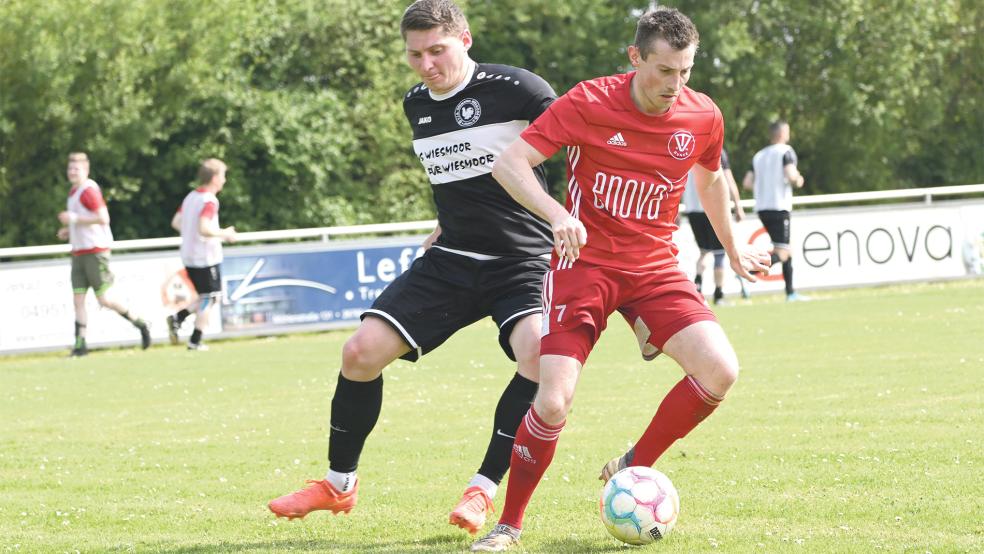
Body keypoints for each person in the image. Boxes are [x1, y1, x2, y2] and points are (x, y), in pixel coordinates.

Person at [469, 7, 771, 551]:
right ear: (635, 59)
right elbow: (510, 164)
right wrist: (559, 216)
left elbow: (709, 184)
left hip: (654, 267)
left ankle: (635, 465)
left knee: (721, 370)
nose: (674, 85)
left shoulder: (702, 115)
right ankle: (509, 525)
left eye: (685, 71)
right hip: (583, 266)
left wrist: (734, 246)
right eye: (663, 71)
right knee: (554, 401)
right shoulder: (589, 100)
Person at [267, 0, 558, 536]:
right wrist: (447, 222)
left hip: (524, 260)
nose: (426, 65)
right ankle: (338, 484)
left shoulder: (519, 89)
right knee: (359, 354)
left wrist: (572, 223)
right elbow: (460, 172)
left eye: (437, 51)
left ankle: (483, 490)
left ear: (465, 39)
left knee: (539, 354)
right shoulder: (416, 104)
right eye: (415, 54)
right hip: (451, 260)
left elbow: (575, 154)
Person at [57, 152, 151, 357]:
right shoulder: (74, 192)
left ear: (86, 169)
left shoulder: (88, 190)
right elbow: (85, 220)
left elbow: (102, 217)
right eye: (70, 168)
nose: (72, 172)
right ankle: (80, 345)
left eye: (76, 168)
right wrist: (69, 230)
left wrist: (73, 219)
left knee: (105, 299)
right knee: (78, 299)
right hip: (79, 252)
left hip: (95, 251)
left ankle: (140, 323)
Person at [167, 158, 236, 351]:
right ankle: (195, 341)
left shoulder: (191, 197)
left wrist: (190, 233)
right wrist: (225, 234)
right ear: (215, 178)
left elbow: (176, 222)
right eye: (223, 176)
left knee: (207, 296)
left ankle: (178, 318)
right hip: (205, 257)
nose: (224, 180)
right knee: (210, 298)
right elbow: (205, 229)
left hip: (189, 255)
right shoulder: (209, 201)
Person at [742, 120, 807, 301]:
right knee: (782, 252)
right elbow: (792, 175)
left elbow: (747, 183)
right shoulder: (786, 152)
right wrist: (799, 180)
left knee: (787, 249)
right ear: (781, 134)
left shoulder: (758, 155)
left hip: (762, 208)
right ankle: (747, 271)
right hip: (779, 206)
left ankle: (790, 292)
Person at [681, 148, 745, 305]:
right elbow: (728, 180)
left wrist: (677, 209)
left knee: (703, 252)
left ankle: (698, 288)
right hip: (712, 208)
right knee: (719, 253)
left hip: (692, 208)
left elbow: (679, 181)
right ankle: (718, 294)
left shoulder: (686, 149)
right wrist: (738, 205)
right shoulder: (717, 151)